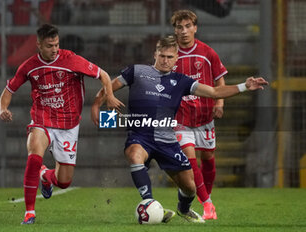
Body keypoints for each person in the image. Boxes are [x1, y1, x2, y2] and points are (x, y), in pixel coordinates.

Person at [91, 35, 268, 223]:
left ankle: (184, 209)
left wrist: (245, 86)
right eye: (162, 56)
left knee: (190, 188)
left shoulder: (182, 81)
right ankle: (149, 204)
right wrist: (96, 105)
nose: (165, 60)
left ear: (176, 59)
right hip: (141, 136)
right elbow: (109, 84)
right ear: (155, 54)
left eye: (169, 57)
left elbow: (215, 92)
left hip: (168, 141)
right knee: (135, 155)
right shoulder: (137, 72)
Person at [0, 24, 123, 225]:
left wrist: (108, 95)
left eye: (56, 44)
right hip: (42, 119)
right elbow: (9, 89)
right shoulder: (29, 66)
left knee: (64, 182)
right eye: (49, 46)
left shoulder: (71, 59)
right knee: (33, 156)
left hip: (69, 125)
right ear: (38, 45)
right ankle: (29, 212)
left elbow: (104, 75)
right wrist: (3, 109)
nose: (55, 49)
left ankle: (45, 177)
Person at [171, 9, 227, 220]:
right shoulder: (170, 54)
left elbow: (220, 79)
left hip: (204, 117)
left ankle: (206, 196)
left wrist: (219, 102)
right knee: (190, 160)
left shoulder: (207, 52)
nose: (184, 31)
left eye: (188, 26)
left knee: (209, 159)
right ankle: (208, 204)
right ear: (175, 30)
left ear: (195, 28)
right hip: (181, 118)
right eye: (179, 27)